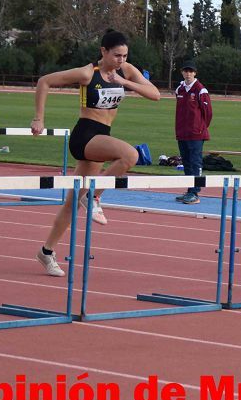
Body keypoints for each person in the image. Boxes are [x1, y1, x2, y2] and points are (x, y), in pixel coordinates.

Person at [31, 29, 161, 276]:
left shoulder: (127, 71)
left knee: (71, 205)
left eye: (124, 55)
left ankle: (46, 252)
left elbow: (155, 95)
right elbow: (44, 81)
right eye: (116, 55)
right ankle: (94, 197)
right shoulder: (87, 73)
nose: (121, 60)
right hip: (84, 136)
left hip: (101, 137)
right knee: (130, 156)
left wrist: (125, 81)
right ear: (103, 51)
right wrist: (39, 118)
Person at [174, 60, 212, 205]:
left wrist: (201, 128)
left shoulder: (200, 90)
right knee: (186, 162)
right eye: (186, 71)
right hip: (182, 132)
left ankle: (195, 192)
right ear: (182, 72)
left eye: (191, 71)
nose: (188, 74)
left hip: (196, 133)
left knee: (195, 162)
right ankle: (190, 190)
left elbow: (208, 113)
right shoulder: (180, 89)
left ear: (195, 73)